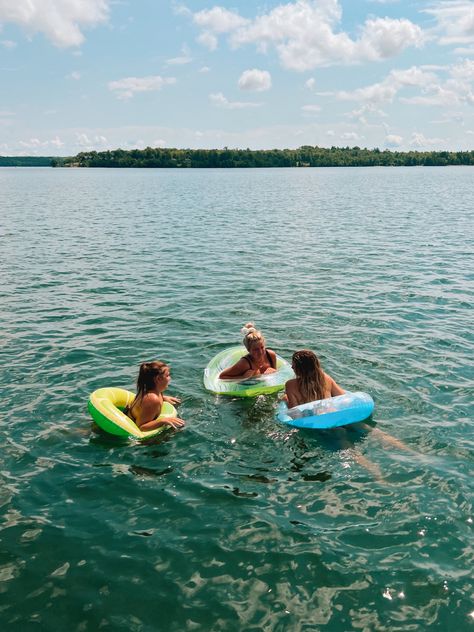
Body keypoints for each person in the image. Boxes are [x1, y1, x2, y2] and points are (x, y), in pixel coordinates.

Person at [125, 361, 185, 431]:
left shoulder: (150, 390)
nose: (170, 378)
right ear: (158, 379)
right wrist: (163, 421)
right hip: (137, 433)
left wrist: (163, 398)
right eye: (167, 375)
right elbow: (141, 427)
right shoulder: (152, 399)